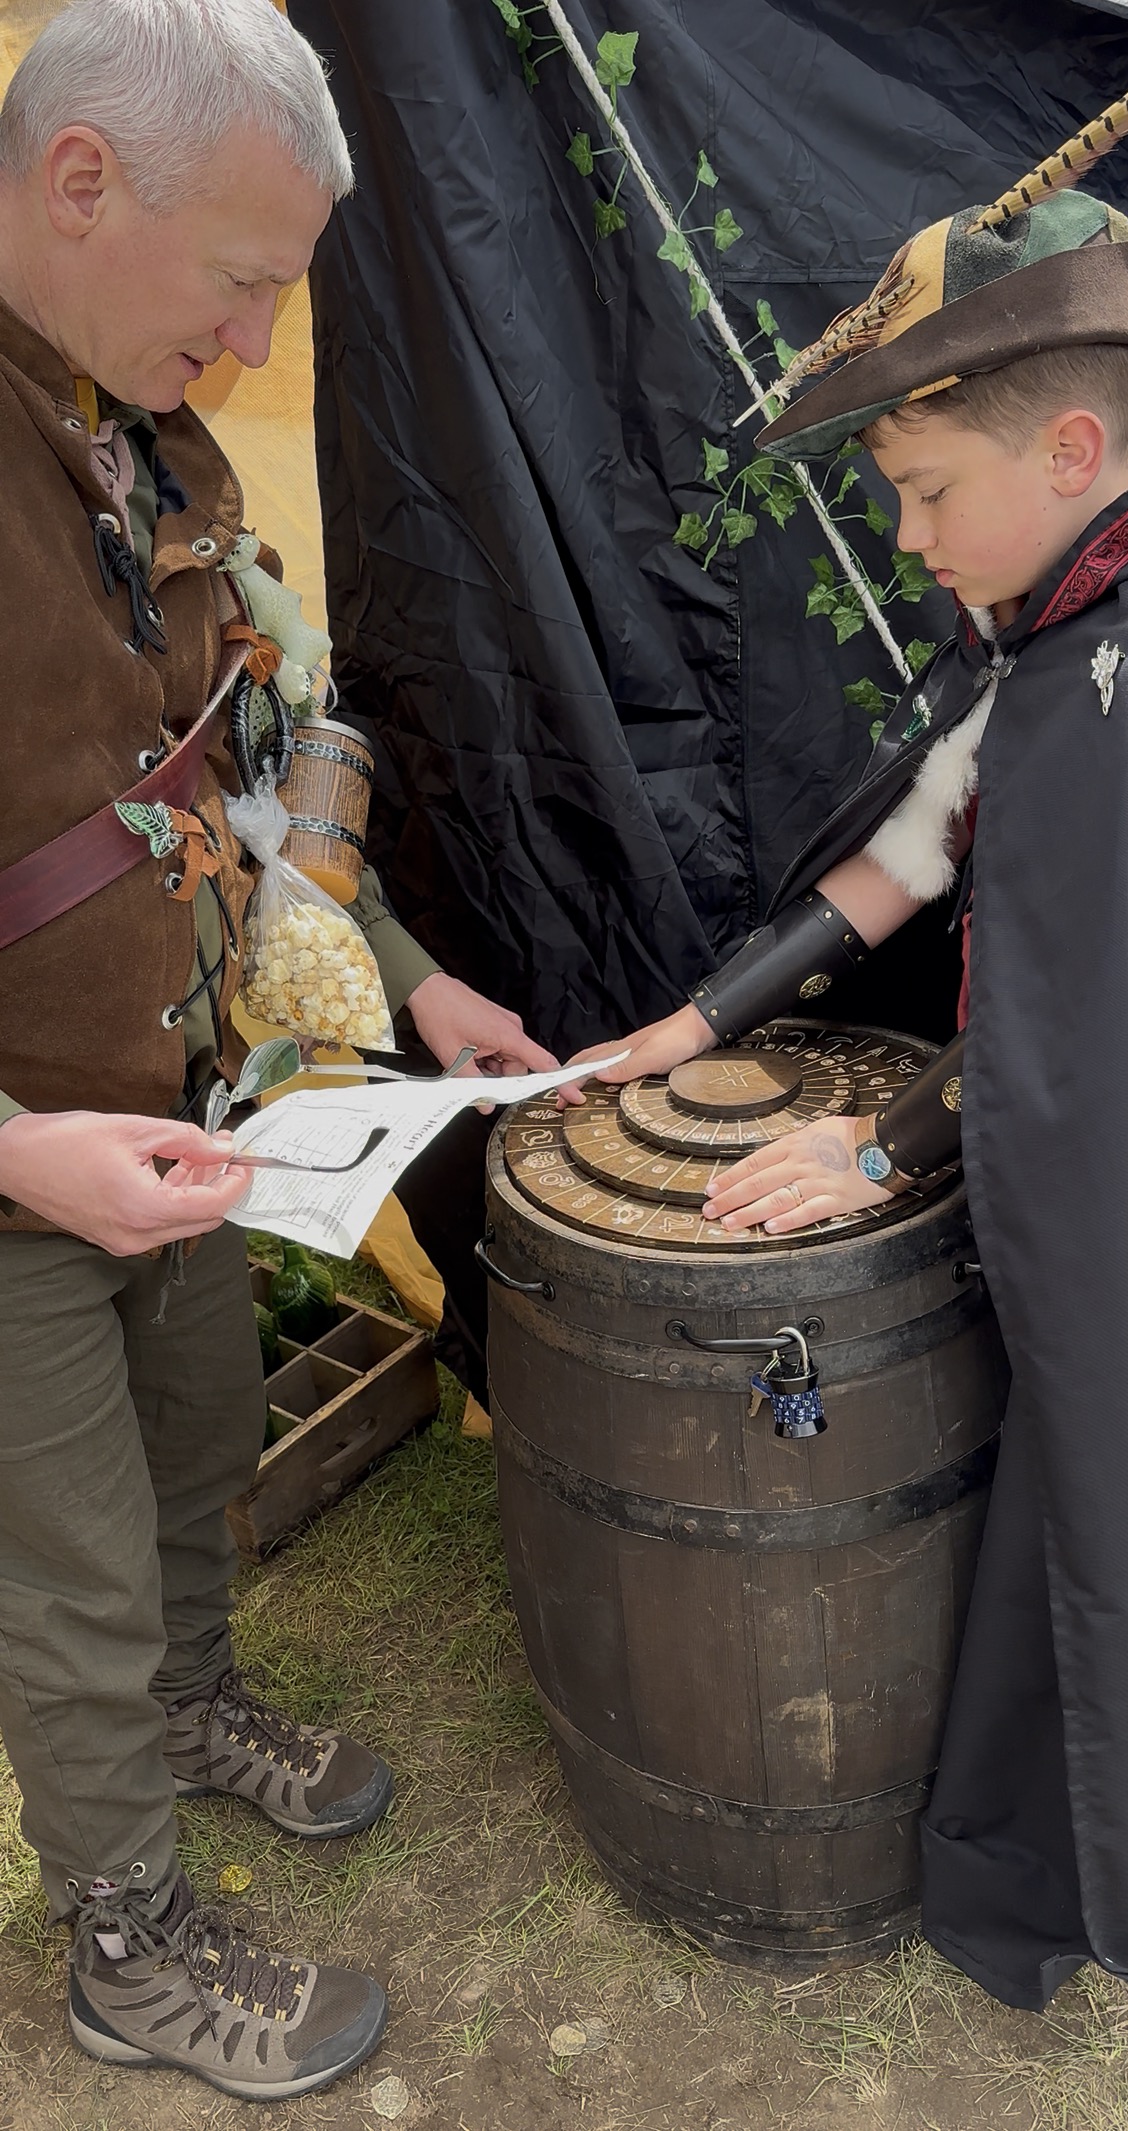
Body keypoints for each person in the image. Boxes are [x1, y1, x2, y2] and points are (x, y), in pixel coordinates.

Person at [567, 37, 1128, 2012]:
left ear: (1072, 456)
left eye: (929, 493)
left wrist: (880, 1144)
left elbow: (1076, 1049)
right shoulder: (1076, 632)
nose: (913, 544)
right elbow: (926, 845)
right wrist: (695, 1018)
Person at [0, 0, 555, 2101]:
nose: (251, 350)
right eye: (240, 285)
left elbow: (233, 765)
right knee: (61, 1561)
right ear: (82, 184)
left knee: (190, 1450)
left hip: (175, 1109)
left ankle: (195, 1707)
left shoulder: (144, 424)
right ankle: (121, 1930)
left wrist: (395, 966)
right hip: (23, 1156)